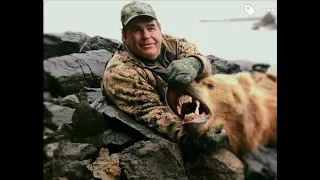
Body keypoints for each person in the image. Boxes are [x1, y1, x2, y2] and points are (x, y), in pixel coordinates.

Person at [101, 1, 228, 153]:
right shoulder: (119, 72)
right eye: (136, 30)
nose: (146, 36)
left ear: (159, 28)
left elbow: (201, 62)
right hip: (173, 115)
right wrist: (192, 138)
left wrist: (195, 63)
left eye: (151, 28)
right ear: (124, 35)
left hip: (196, 105)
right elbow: (152, 112)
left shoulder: (175, 44)